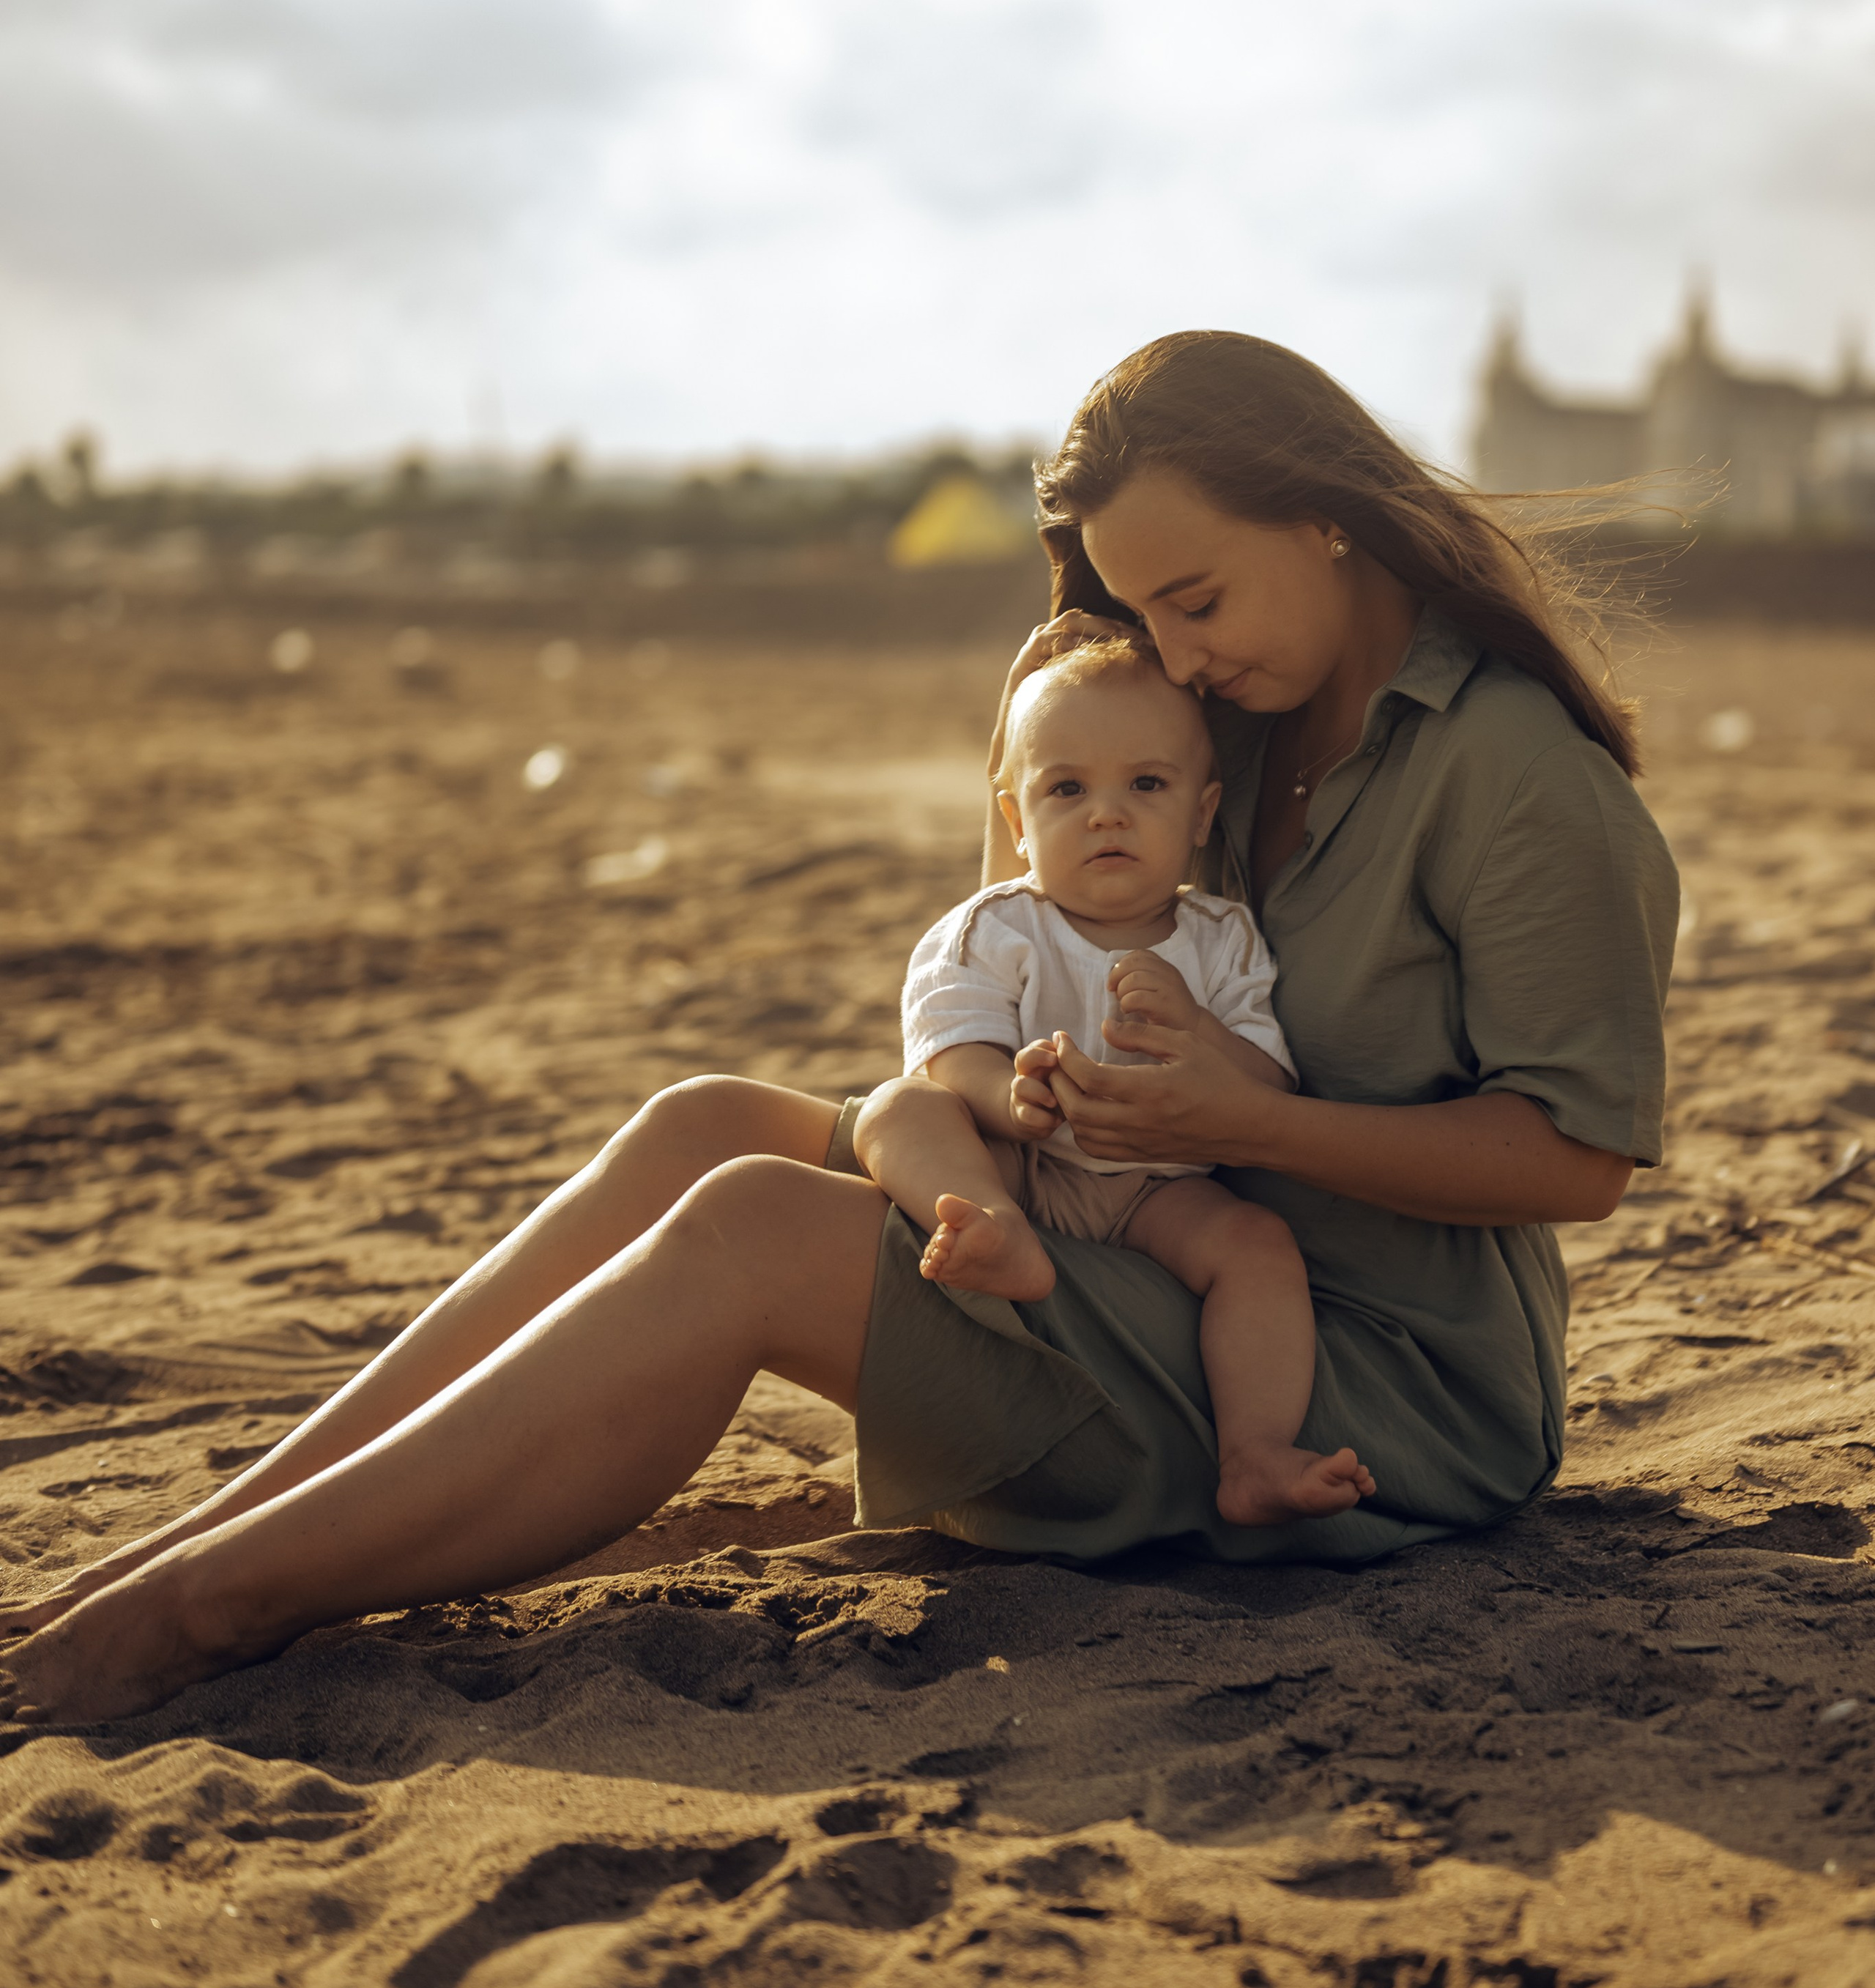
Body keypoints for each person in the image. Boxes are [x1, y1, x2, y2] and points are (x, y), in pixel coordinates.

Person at [0, 328, 1677, 1729]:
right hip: (1142, 1241)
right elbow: (1014, 956)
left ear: (1321, 518)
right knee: (699, 1120)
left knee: (746, 1228)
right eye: (1137, 613)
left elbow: (1574, 1159)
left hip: (1364, 1381)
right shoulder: (1218, 717)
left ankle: (210, 1609)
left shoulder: (1510, 771)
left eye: (1192, 595)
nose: (1170, 646)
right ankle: (182, 1550)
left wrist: (1234, 1126)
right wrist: (1048, 738)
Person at [853, 624, 1376, 1528]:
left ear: (1202, 814)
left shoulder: (1220, 939)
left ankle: (1253, 1453)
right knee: (898, 1110)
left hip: (1155, 1191)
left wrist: (1199, 1031)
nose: (1107, 813)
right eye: (1067, 789)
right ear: (1017, 822)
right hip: (1027, 1168)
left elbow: (1268, 1083)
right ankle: (992, 1228)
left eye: (1146, 784)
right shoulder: (998, 927)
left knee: (1257, 1248)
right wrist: (1006, 1099)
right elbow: (951, 1046)